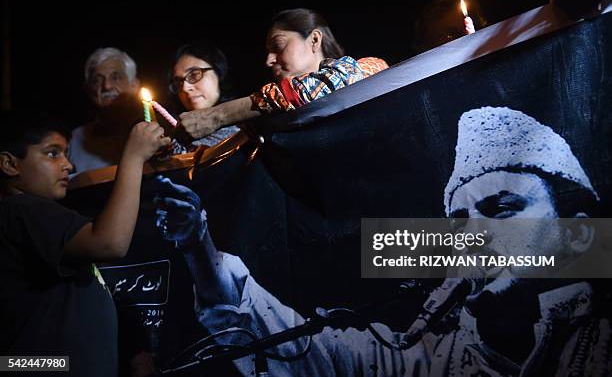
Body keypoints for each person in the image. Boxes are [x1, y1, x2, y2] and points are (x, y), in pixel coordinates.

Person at [155, 106, 610, 376]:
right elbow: (299, 349)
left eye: (502, 209)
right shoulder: (427, 360)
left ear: (578, 234)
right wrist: (197, 243)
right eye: (459, 221)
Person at [0, 110, 169, 377]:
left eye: (66, 153)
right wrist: (134, 157)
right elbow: (110, 243)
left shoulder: (33, 219)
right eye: (52, 153)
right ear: (10, 164)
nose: (68, 165)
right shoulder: (22, 209)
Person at [177, 8, 388, 140]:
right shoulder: (272, 117)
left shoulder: (369, 68)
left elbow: (323, 86)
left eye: (278, 46)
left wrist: (216, 116)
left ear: (315, 40)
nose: (269, 60)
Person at [69, 47, 144, 173]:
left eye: (116, 77)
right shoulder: (74, 141)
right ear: (88, 90)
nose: (106, 86)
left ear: (134, 85)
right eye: (97, 80)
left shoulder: (158, 131)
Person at [168, 41, 240, 149]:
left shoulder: (243, 128)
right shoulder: (174, 136)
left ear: (218, 71)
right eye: (178, 82)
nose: (185, 88)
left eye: (194, 75)